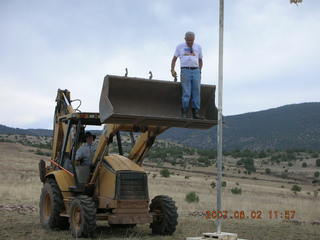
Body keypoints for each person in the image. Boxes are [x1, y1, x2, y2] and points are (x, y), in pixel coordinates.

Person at [171, 31, 203, 119]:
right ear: (185, 39)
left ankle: (196, 112)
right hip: (185, 70)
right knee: (186, 92)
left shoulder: (198, 47)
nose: (190, 42)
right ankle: (184, 112)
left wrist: (199, 71)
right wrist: (172, 69)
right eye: (188, 40)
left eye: (192, 40)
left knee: (196, 91)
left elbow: (200, 60)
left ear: (194, 39)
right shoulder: (180, 47)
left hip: (196, 70)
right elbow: (174, 59)